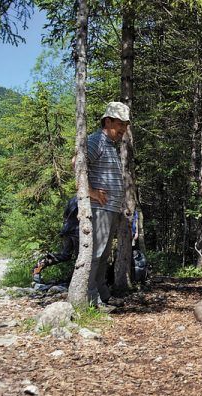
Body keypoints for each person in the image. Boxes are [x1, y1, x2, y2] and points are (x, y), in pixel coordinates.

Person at [77, 101, 130, 307]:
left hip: (110, 209)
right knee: (95, 254)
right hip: (99, 209)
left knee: (103, 255)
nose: (123, 129)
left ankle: (102, 296)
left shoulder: (109, 145)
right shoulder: (96, 140)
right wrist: (90, 192)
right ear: (108, 121)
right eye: (120, 124)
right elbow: (76, 164)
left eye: (125, 125)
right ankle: (90, 300)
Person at [32, 196, 79, 283]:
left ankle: (40, 265)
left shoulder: (73, 199)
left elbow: (65, 215)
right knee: (80, 257)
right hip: (76, 230)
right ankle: (74, 281)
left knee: (65, 255)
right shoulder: (85, 198)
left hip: (67, 229)